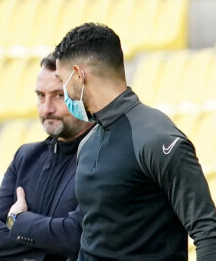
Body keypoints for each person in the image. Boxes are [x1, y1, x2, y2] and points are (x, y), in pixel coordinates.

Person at [54, 23, 216, 261]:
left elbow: (208, 232)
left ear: (78, 75)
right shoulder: (87, 145)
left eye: (62, 81)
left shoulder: (156, 137)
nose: (63, 92)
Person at [0, 53, 93, 261]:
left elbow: (77, 238)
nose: (47, 109)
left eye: (59, 95)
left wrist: (16, 221)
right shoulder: (26, 157)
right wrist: (52, 244)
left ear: (83, 94)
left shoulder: (102, 157)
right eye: (41, 95)